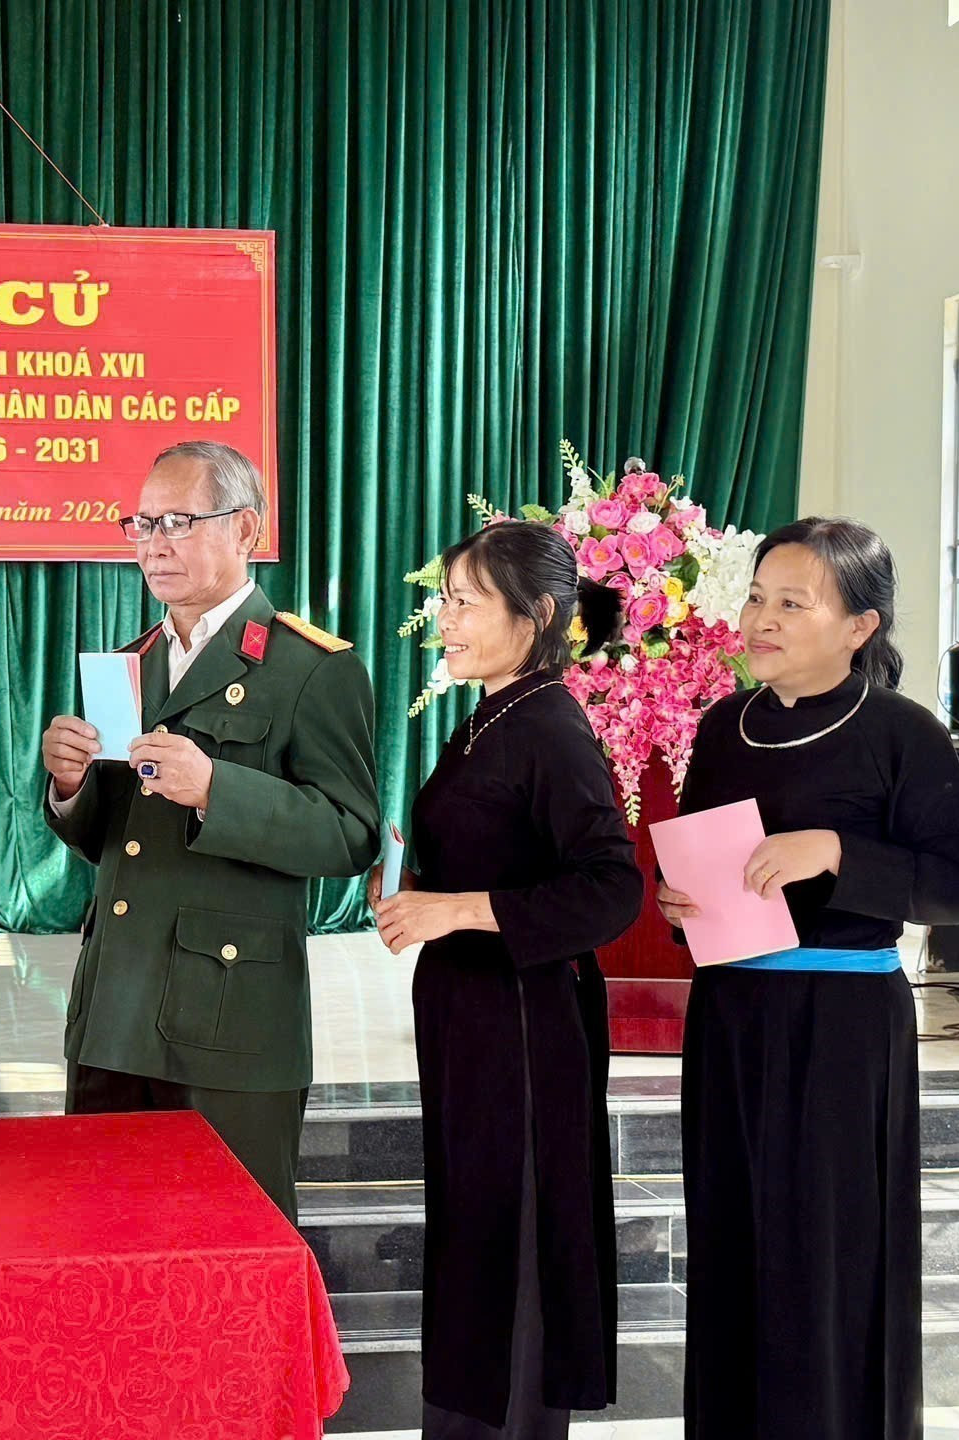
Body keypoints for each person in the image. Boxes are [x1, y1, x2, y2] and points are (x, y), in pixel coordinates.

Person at [660, 517, 959, 1440]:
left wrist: (837, 850)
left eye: (792, 604)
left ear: (859, 627)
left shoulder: (904, 733)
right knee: (732, 1234)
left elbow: (955, 891)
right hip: (730, 1015)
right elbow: (702, 868)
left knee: (832, 1250)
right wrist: (680, 905)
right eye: (757, 597)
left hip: (843, 1024)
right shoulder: (722, 727)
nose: (761, 620)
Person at [39, 440, 380, 1220]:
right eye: (142, 523)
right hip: (114, 1012)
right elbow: (113, 839)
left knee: (230, 1250)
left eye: (179, 522)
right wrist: (69, 786)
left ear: (245, 529)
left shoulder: (311, 667)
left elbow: (350, 833)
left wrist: (218, 790)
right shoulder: (130, 663)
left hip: (230, 1019)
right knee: (105, 1243)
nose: (153, 543)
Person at [371, 520, 642, 1440]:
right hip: (472, 1021)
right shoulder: (491, 716)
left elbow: (610, 888)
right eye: (443, 600)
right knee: (475, 1238)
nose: (442, 619)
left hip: (526, 1029)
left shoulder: (552, 728)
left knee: (514, 1249)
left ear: (536, 619)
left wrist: (455, 910)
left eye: (465, 603)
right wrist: (416, 890)